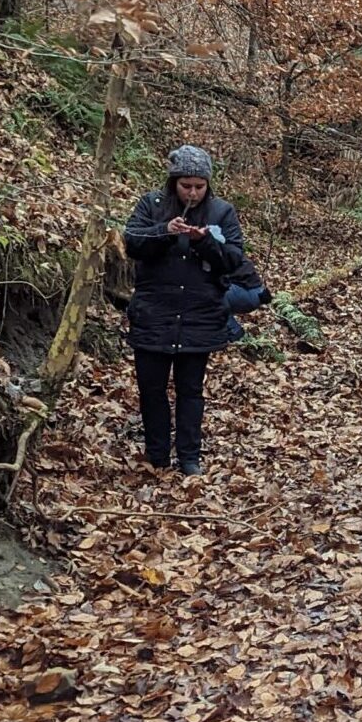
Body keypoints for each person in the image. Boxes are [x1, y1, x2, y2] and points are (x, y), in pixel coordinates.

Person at [123, 145, 245, 475]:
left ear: (208, 185)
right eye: (186, 185)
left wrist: (205, 241)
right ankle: (157, 454)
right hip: (154, 312)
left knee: (191, 390)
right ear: (173, 181)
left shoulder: (222, 211)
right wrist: (164, 231)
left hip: (200, 314)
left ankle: (190, 458)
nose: (192, 192)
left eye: (199, 186)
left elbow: (235, 259)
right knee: (151, 388)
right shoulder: (152, 204)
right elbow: (132, 241)